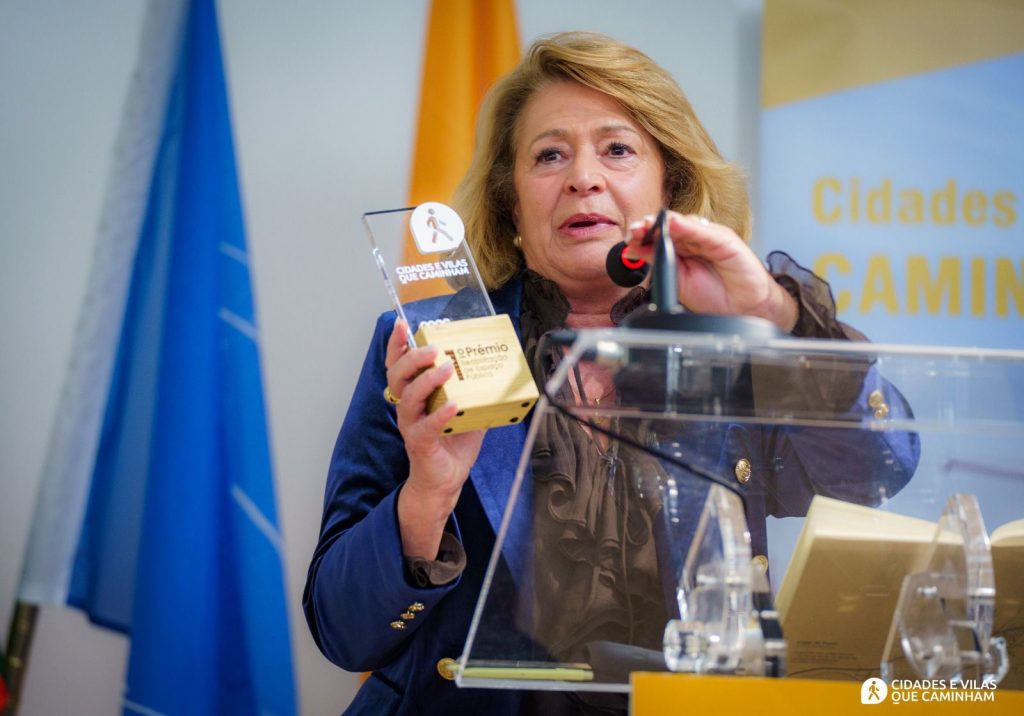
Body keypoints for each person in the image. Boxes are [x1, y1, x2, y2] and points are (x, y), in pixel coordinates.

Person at [304, 31, 919, 715]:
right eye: (550, 155)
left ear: (670, 186)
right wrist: (426, 496)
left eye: (618, 149)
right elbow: (342, 630)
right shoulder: (426, 344)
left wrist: (775, 314)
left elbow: (877, 468)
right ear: (512, 203)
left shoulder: (732, 338)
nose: (583, 178)